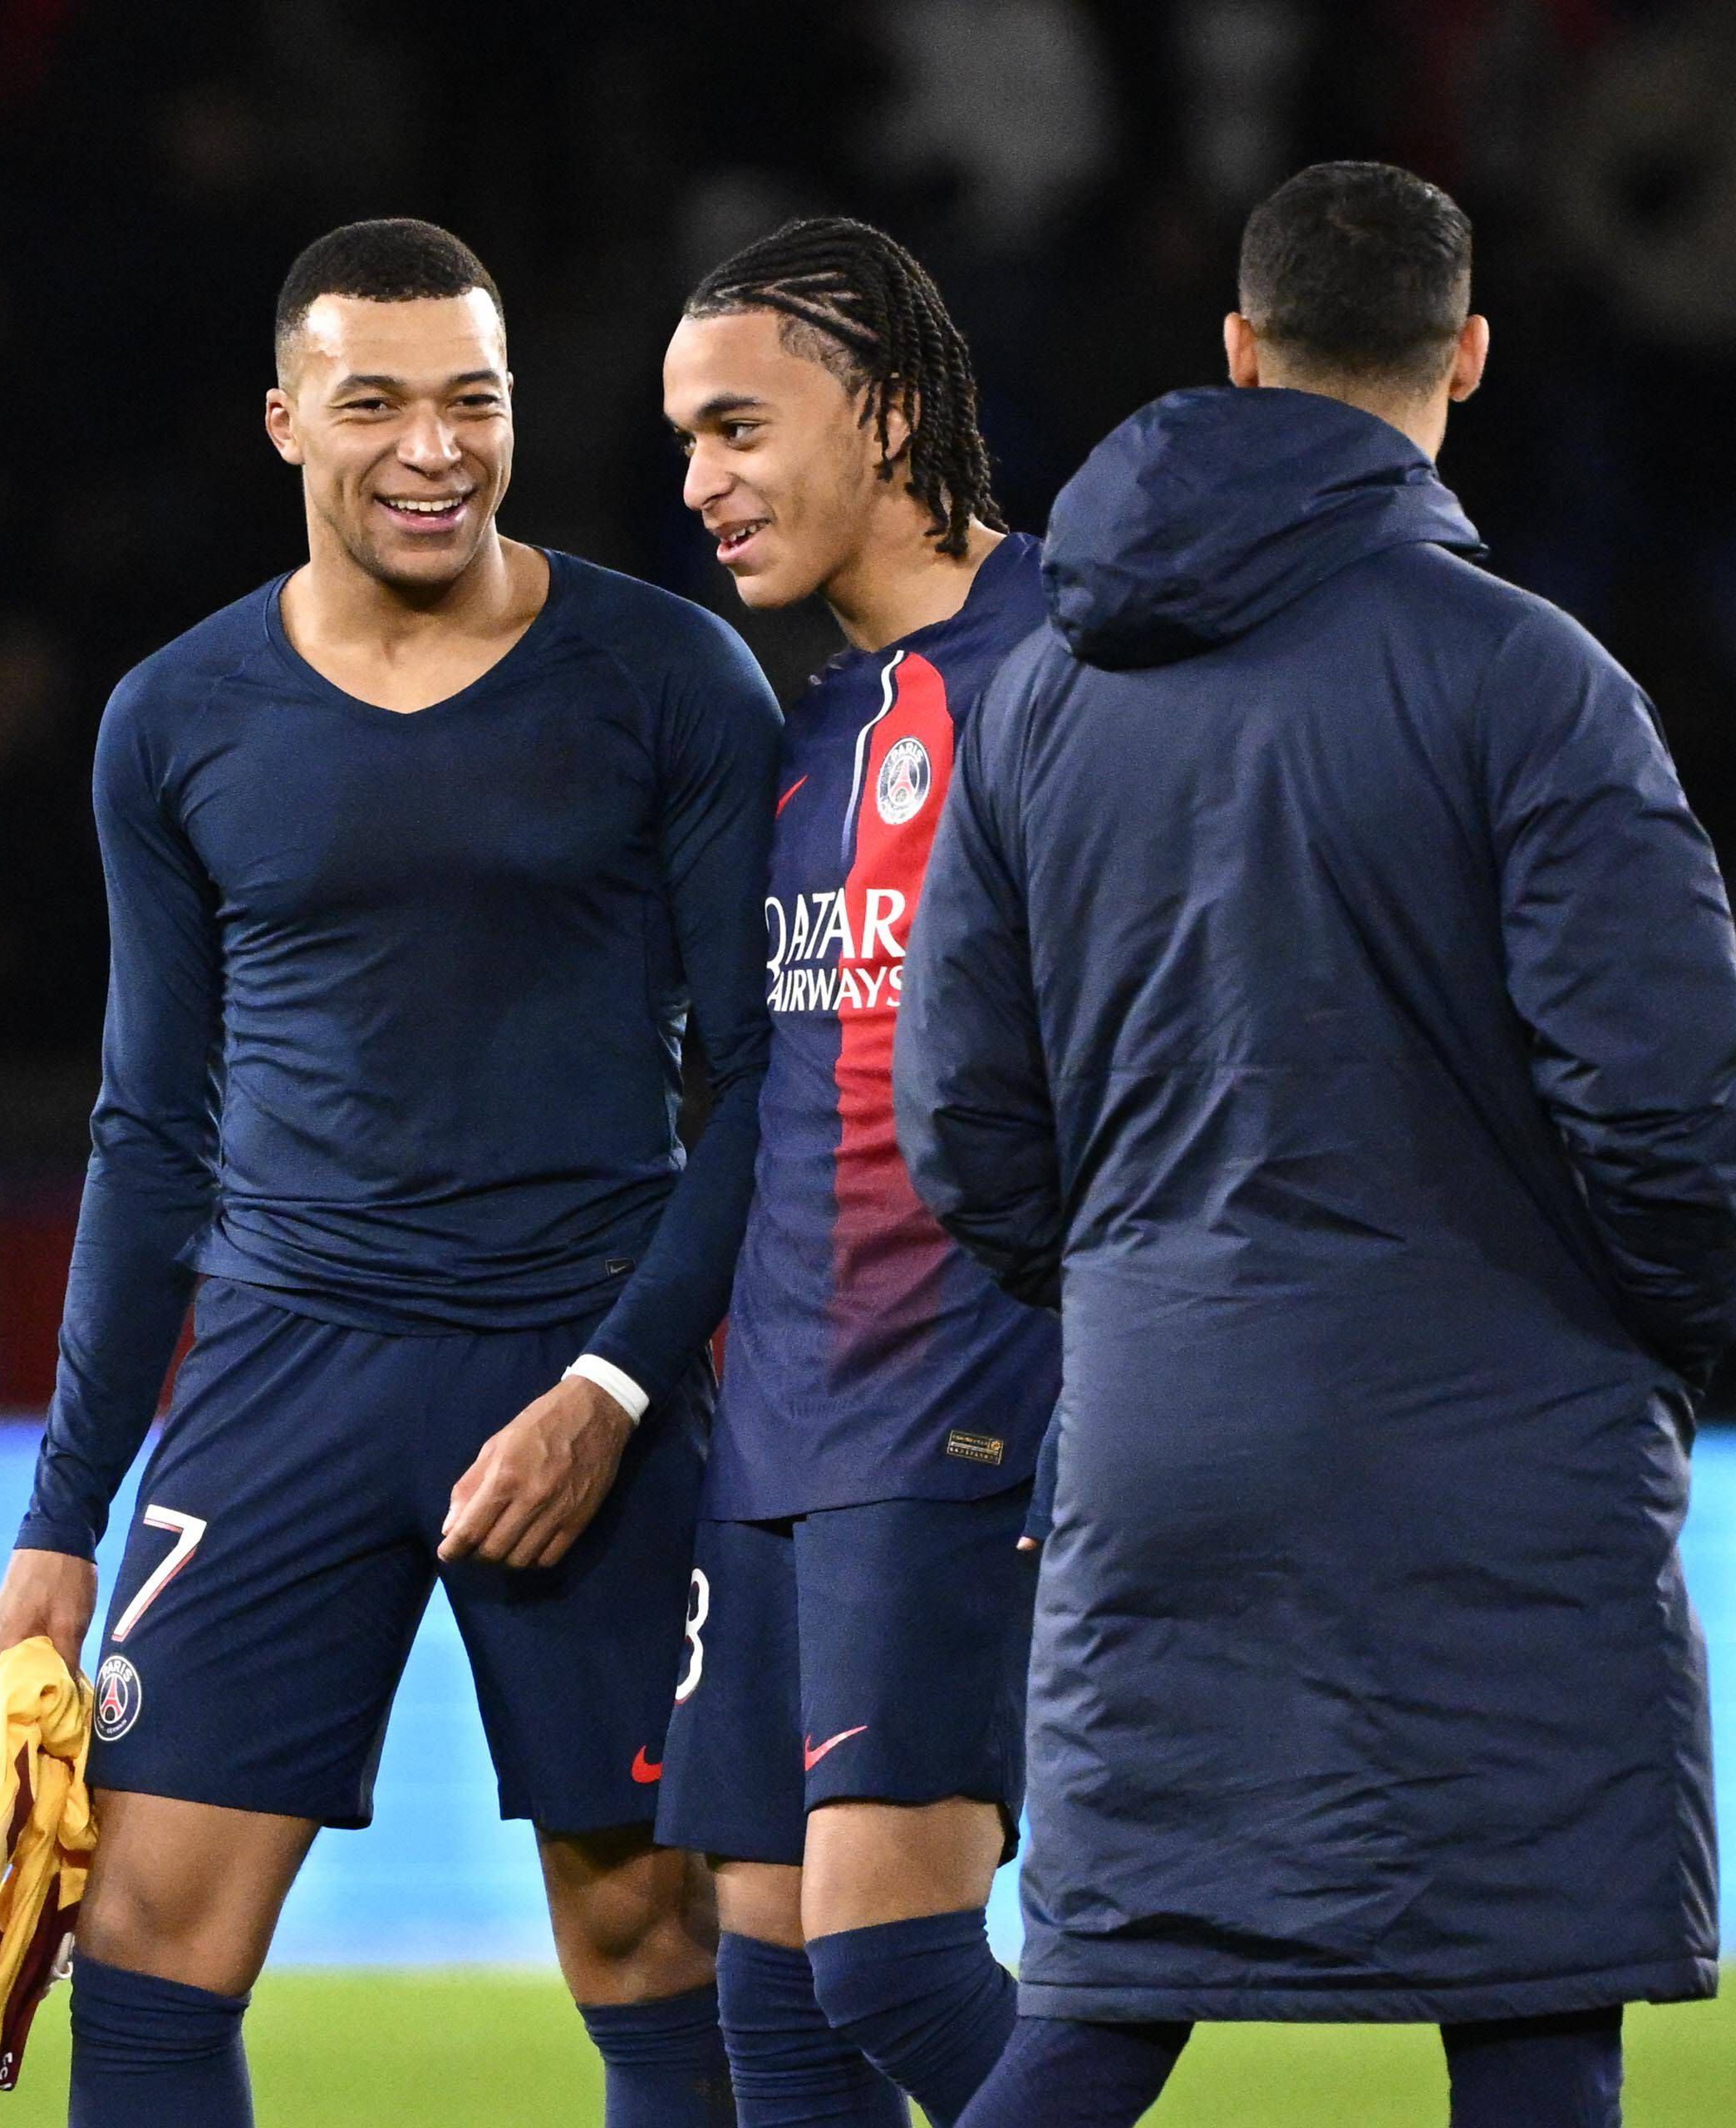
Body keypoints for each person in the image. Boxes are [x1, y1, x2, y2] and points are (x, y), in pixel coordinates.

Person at [895, 161, 1736, 2128]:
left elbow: (961, 1118)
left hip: (1162, 1442)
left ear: (1238, 348)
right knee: (1535, 2007)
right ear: (1467, 353)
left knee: (1100, 2004)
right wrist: (1653, 1330)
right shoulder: (1535, 684)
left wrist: (1139, 1288)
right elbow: (1667, 1111)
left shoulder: (1038, 697)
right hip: (1502, 1461)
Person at [0, 218, 780, 2128]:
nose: (434, 449)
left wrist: (612, 1386)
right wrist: (62, 1513)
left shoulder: (672, 679)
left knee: (654, 1946)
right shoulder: (175, 720)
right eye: (378, 404)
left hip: (591, 1363)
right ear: (285, 422)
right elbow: (148, 1126)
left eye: (473, 401)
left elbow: (766, 1081)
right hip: (285, 1370)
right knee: (149, 1942)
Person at [652, 217, 1057, 2128]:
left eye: (739, 427)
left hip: (970, 1410)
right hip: (775, 1429)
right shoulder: (807, 726)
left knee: (892, 1955)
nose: (701, 483)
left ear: (887, 413)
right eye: (682, 443)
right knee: (776, 2006)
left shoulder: (1072, 671)